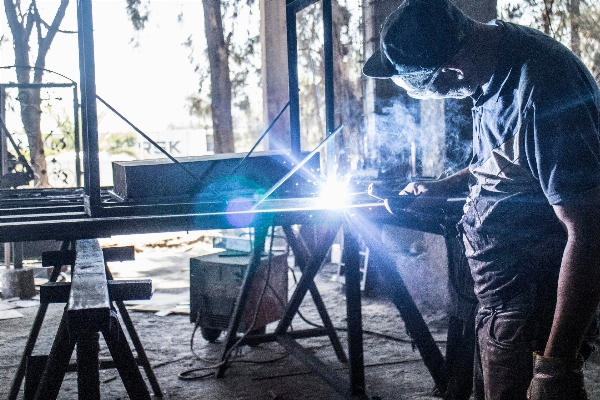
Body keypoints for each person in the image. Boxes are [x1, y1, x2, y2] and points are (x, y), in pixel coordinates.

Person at [362, 0, 600, 399]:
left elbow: (591, 229)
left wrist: (554, 365)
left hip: (534, 310)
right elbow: (508, 161)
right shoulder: (489, 69)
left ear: (451, 70)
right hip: (501, 303)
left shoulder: (546, 88)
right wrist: (442, 186)